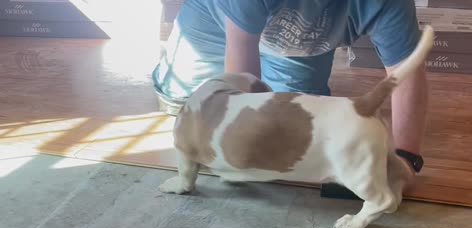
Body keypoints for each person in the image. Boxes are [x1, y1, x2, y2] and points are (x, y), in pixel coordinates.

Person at [152, 0, 428, 196]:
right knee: (184, 103)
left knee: (296, 126)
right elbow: (239, 82)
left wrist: (405, 158)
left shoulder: (390, 3)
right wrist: (239, 149)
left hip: (299, 42)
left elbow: (407, 71)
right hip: (216, 22)